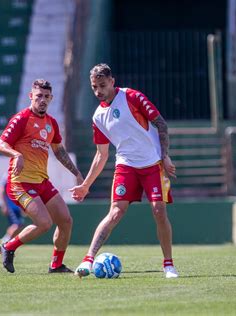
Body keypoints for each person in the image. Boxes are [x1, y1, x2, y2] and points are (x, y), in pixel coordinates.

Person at [70, 63, 179, 278]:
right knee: (116, 212)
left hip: (152, 164)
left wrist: (165, 156)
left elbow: (161, 123)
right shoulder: (97, 117)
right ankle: (88, 260)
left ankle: (168, 264)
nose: (98, 91)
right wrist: (85, 186)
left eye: (102, 85)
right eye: (94, 87)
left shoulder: (132, 97)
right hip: (126, 166)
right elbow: (101, 155)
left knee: (158, 210)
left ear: (112, 82)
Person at [0, 79, 84, 273]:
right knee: (44, 223)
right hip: (20, 183)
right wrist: (16, 154)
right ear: (31, 96)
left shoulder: (51, 123)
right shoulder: (21, 119)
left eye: (46, 97)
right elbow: (0, 144)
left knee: (66, 221)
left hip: (42, 181)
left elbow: (59, 152)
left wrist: (77, 173)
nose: (42, 100)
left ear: (51, 98)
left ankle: (56, 265)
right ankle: (8, 247)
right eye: (39, 96)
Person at [0, 175, 25, 245]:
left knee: (20, 225)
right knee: (16, 225)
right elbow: (2, 190)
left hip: (18, 206)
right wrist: (4, 205)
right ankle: (5, 241)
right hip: (11, 206)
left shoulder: (22, 175)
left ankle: (8, 242)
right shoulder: (7, 175)